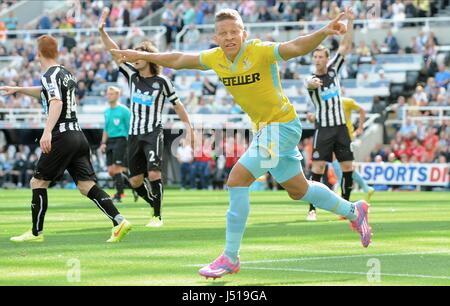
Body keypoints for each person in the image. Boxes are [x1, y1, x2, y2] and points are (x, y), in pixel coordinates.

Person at [112, 8, 371, 280]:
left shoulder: (258, 50)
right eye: (223, 33)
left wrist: (324, 32)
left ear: (243, 33)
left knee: (237, 179)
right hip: (265, 130)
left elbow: (294, 46)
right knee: (299, 189)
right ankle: (355, 211)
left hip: (282, 126)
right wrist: (142, 55)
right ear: (215, 37)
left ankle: (230, 257)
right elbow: (177, 58)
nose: (229, 37)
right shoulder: (215, 58)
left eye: (234, 32)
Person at [0, 35, 131, 243]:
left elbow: (56, 102)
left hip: (61, 135)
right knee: (85, 185)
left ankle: (35, 233)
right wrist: (19, 89)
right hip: (78, 135)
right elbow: (46, 93)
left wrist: (47, 131)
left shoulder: (48, 75)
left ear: (38, 53)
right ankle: (119, 220)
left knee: (38, 181)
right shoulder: (65, 73)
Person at [99, 8, 193, 227]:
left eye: (139, 54)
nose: (134, 57)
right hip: (134, 134)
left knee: (153, 172)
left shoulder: (163, 82)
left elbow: (178, 105)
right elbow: (114, 51)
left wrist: (188, 126)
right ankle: (153, 202)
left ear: (148, 58)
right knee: (135, 181)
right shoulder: (132, 76)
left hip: (153, 132)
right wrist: (102, 32)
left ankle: (157, 216)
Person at [305, 9, 356, 221]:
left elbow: (345, 46)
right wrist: (311, 83)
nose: (317, 60)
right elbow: (309, 85)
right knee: (317, 168)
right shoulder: (311, 79)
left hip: (341, 127)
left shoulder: (334, 69)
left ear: (327, 58)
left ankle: (346, 207)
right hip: (323, 129)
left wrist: (350, 22)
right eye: (315, 57)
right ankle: (312, 209)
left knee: (347, 167)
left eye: (320, 56)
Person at [99, 86, 132, 203]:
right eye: (108, 94)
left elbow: (130, 128)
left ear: (118, 95)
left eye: (112, 94)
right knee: (110, 171)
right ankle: (133, 185)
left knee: (117, 168)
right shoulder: (107, 111)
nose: (109, 96)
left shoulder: (124, 110)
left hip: (121, 140)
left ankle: (119, 194)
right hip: (110, 141)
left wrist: (131, 143)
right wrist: (103, 143)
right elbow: (106, 129)